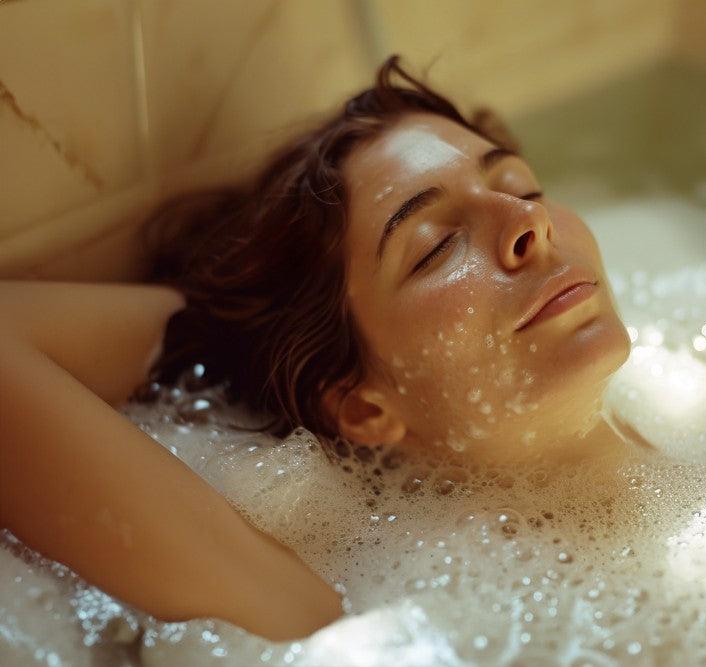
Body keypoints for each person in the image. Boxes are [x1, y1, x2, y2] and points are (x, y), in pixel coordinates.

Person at [0, 56, 632, 641]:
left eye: (523, 187)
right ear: (361, 406)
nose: (529, 221)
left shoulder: (695, 425)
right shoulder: (357, 628)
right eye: (435, 248)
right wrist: (208, 325)